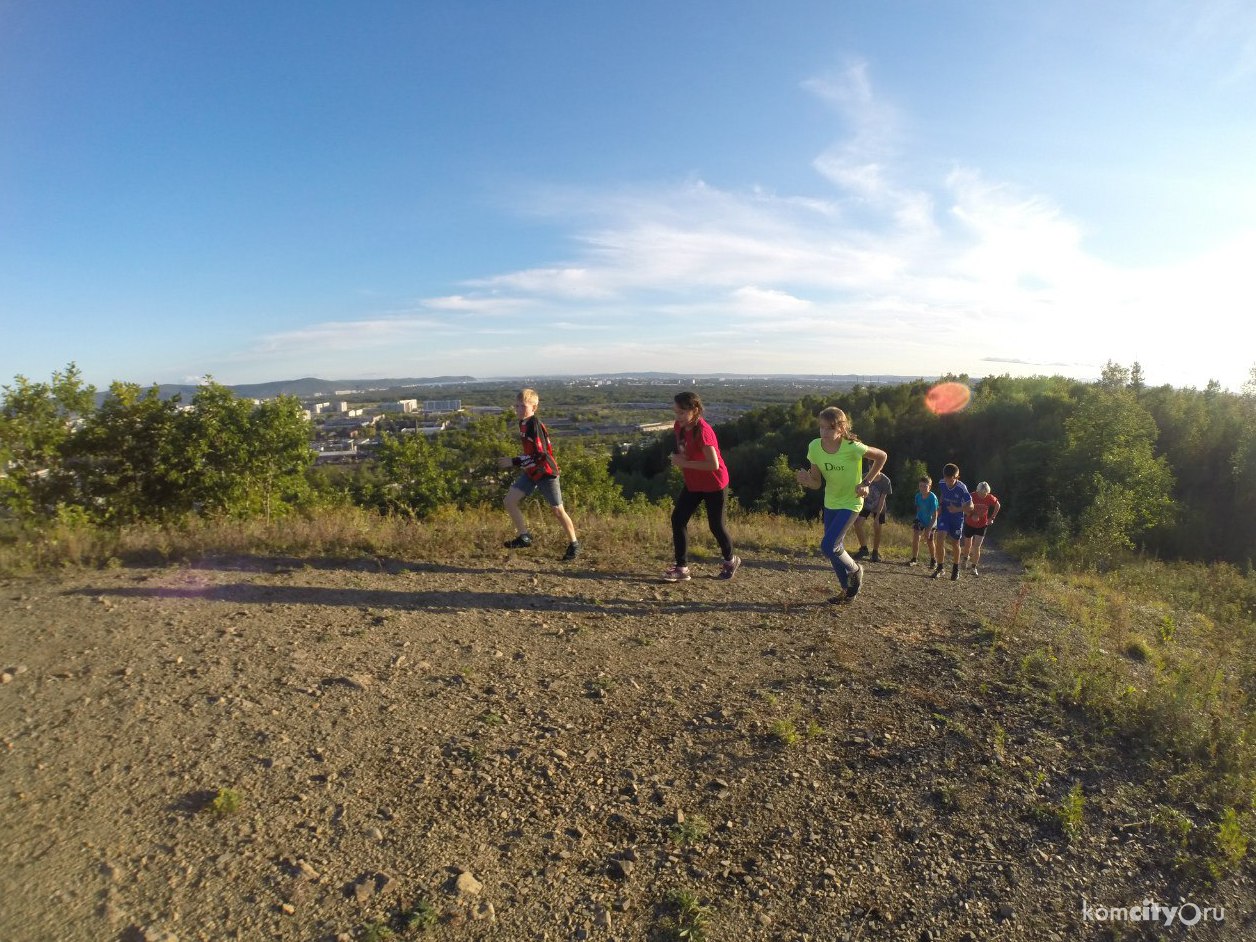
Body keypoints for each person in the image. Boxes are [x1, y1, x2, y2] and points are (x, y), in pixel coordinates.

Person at [796, 407, 888, 602]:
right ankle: (847, 591)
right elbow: (817, 482)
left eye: (829, 428)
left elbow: (882, 456)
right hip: (831, 502)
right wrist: (806, 480)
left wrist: (866, 483)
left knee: (829, 546)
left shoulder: (852, 447)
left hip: (852, 502)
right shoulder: (814, 447)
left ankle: (855, 569)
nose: (824, 432)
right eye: (821, 427)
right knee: (834, 548)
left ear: (841, 428)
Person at [664, 391, 740, 582]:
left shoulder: (704, 432)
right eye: (676, 412)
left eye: (681, 412)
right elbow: (687, 453)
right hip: (694, 482)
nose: (678, 416)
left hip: (714, 483)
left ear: (695, 410)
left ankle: (731, 560)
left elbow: (712, 464)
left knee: (715, 526)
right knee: (678, 519)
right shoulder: (679, 427)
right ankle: (681, 568)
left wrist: (683, 463)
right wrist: (680, 459)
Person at [498, 388, 580, 561]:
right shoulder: (522, 423)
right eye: (517, 406)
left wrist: (513, 461)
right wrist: (522, 464)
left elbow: (540, 454)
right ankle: (524, 537)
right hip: (532, 471)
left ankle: (574, 544)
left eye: (523, 406)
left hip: (546, 472)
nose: (519, 409)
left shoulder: (534, 425)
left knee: (557, 510)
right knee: (509, 501)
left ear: (534, 407)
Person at [931, 463, 974, 581]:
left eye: (951, 480)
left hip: (957, 518)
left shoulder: (962, 488)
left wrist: (958, 509)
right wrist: (939, 505)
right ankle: (940, 568)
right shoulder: (941, 483)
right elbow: (943, 495)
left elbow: (970, 506)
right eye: (946, 479)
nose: (948, 482)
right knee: (939, 539)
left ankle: (956, 569)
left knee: (955, 543)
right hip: (945, 515)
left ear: (957, 477)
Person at [962, 481, 1001, 576]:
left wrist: (992, 518)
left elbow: (997, 505)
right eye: (981, 493)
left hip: (982, 525)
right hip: (969, 523)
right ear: (977, 491)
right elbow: (963, 507)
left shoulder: (989, 498)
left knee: (977, 547)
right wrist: (971, 515)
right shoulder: (972, 496)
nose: (983, 495)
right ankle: (965, 559)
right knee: (968, 545)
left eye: (985, 493)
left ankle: (973, 567)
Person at [852, 471, 892, 562]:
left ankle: (875, 552)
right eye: (871, 466)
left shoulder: (885, 481)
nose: (873, 469)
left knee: (877, 528)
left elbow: (882, 499)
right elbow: (858, 489)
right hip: (866, 504)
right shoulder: (864, 476)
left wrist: (877, 518)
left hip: (879, 506)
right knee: (857, 523)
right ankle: (864, 549)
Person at [909, 475, 939, 567]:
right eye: (921, 486)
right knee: (916, 537)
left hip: (931, 521)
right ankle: (914, 559)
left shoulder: (932, 498)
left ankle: (933, 559)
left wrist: (928, 529)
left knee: (930, 540)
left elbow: (935, 515)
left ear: (929, 486)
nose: (923, 488)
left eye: (925, 486)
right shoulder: (918, 496)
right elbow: (918, 508)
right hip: (921, 518)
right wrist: (917, 519)